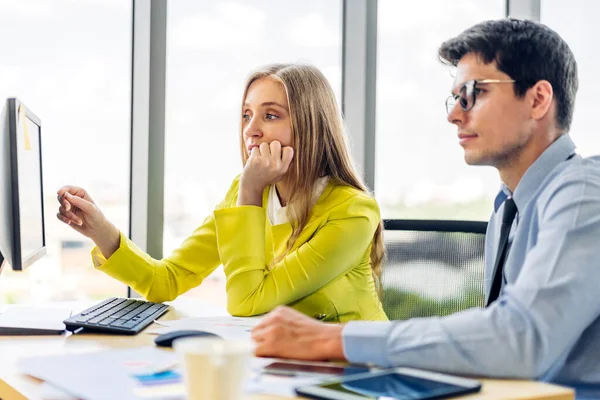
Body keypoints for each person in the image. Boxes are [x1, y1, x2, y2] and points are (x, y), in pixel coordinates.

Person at [251, 19, 600, 395]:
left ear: (538, 99)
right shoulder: (508, 207)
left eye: (473, 93)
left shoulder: (581, 193)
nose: (454, 114)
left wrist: (333, 340)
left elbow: (520, 339)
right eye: (455, 98)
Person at [56, 63, 388, 322]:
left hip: (352, 370)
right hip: (280, 363)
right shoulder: (243, 194)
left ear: (310, 125)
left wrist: (251, 191)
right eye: (247, 115)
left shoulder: (353, 212)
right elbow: (166, 280)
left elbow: (247, 301)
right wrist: (100, 231)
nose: (251, 130)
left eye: (270, 115)